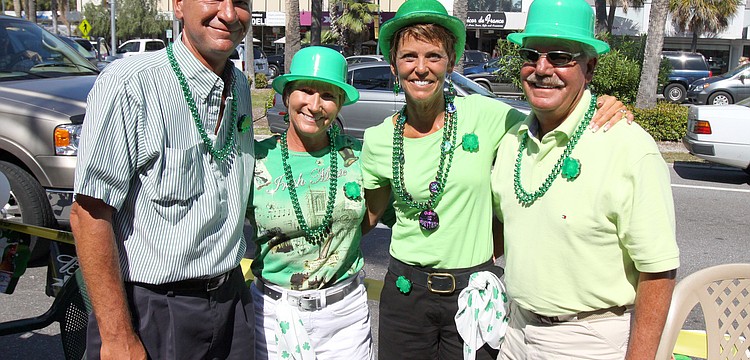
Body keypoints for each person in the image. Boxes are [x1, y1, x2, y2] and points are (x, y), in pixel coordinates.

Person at [358, 0, 633, 359]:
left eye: (434, 56)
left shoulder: (485, 115)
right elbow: (368, 217)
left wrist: (599, 103)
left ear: (451, 62)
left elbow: (553, 119)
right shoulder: (379, 139)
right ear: (393, 64)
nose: (421, 68)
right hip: (405, 294)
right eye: (409, 57)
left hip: (474, 295)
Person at [490, 0, 680, 358]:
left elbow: (657, 271)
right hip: (513, 332)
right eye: (531, 55)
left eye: (561, 57)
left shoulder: (627, 147)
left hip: (587, 341)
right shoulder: (512, 139)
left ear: (589, 68)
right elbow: (502, 227)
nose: (542, 69)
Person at [69, 0, 255, 357]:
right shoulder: (130, 85)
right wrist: (118, 335)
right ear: (178, 5)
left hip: (233, 306)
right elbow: (90, 214)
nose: (229, 14)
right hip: (153, 313)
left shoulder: (240, 88)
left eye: (241, 2)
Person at [248, 46, 371, 360]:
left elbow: (373, 215)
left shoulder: (360, 156)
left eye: (328, 96)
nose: (315, 105)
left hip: (345, 317)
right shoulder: (255, 159)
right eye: (306, 91)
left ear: (340, 103)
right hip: (273, 317)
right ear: (288, 95)